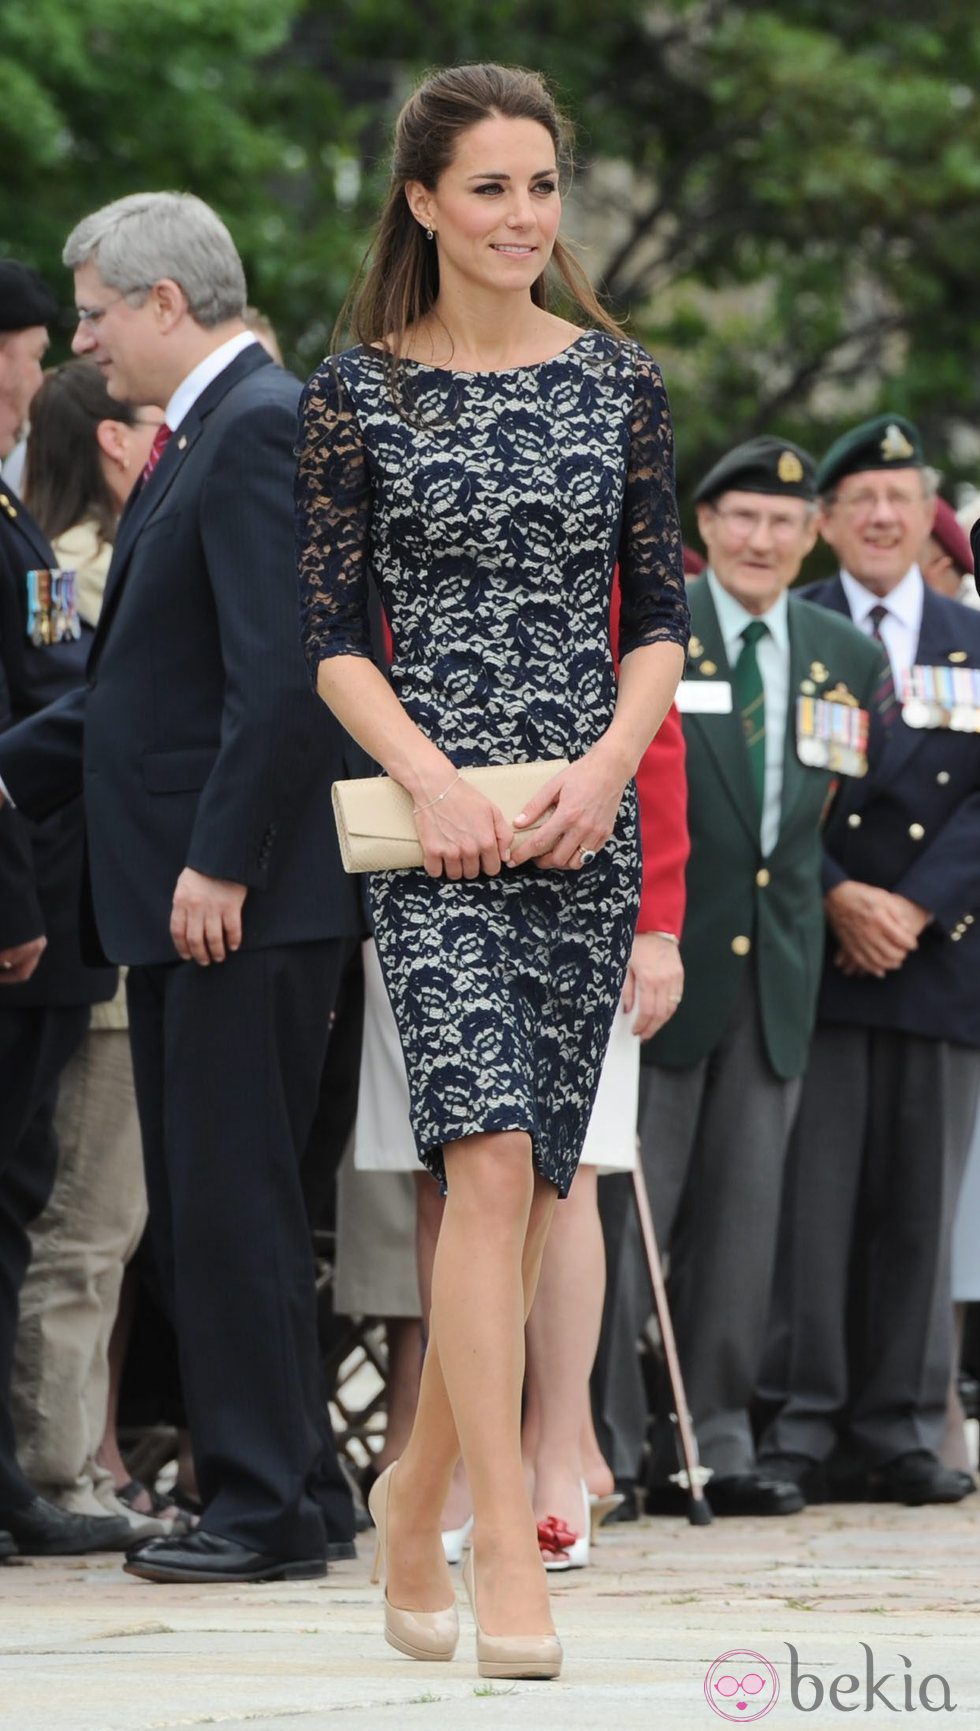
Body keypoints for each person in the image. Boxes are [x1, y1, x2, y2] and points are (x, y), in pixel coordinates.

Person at [295, 62, 688, 1678]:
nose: (524, 217)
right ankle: (502, 1575)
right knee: (482, 1159)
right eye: (491, 188)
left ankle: (413, 1492)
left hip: (584, 830)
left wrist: (606, 778)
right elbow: (328, 642)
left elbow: (657, 619)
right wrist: (433, 782)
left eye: (542, 188)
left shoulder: (621, 382)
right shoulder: (354, 391)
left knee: (532, 1193)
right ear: (424, 201)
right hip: (437, 831)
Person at [0, 193, 367, 1582]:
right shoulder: (204, 434)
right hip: (201, 889)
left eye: (94, 312)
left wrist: (218, 858)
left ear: (167, 302)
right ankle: (304, 1494)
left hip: (235, 895)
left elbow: (281, 683)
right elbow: (140, 689)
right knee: (235, 1200)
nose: (82, 341)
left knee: (228, 1204)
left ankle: (262, 1507)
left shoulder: (259, 424)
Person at [603, 436, 888, 1517]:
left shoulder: (840, 658)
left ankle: (714, 1440)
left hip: (775, 974)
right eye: (740, 518)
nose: (761, 539)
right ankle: (611, 1445)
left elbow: (823, 815)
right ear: (706, 529)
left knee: (740, 1226)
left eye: (782, 521)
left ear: (807, 533)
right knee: (632, 1217)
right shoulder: (659, 634)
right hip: (666, 963)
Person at [758, 414, 980, 1506]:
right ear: (827, 522)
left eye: (900, 498)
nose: (882, 517)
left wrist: (911, 903)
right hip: (815, 944)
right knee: (812, 1202)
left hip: (935, 954)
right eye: (860, 501)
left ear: (923, 513)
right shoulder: (787, 627)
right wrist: (836, 893)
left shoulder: (967, 635)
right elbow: (753, 784)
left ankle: (898, 1427)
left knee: (914, 1200)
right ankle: (798, 1423)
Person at [9, 359, 168, 1544]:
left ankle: (64, 1466)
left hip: (83, 926)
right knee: (70, 1214)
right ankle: (54, 1467)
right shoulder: (81, 559)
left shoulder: (38, 537)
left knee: (79, 1218)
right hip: (65, 921)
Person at [0, 265, 132, 1560]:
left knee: (21, 1193)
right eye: (31, 349)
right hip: (20, 916)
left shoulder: (9, 517)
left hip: (43, 914)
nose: (36, 377)